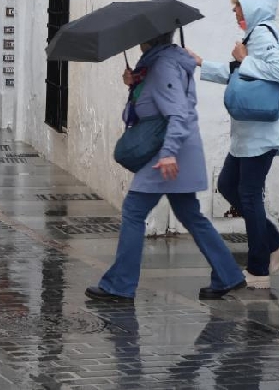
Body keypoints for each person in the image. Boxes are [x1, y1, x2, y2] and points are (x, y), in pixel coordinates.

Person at [86, 30, 246, 303]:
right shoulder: (162, 62)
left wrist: (170, 153)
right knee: (191, 214)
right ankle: (228, 274)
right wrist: (134, 84)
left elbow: (177, 112)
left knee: (134, 211)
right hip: (174, 149)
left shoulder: (162, 65)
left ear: (148, 39)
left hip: (166, 153)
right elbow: (154, 103)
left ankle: (120, 285)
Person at [189, 0, 279, 290]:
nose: (236, 11)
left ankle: (258, 268)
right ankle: (274, 242)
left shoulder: (262, 33)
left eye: (239, 5)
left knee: (248, 194)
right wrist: (202, 64)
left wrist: (243, 59)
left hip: (262, 130)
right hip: (251, 131)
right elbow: (242, 74)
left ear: (254, 6)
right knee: (228, 184)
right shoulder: (256, 34)